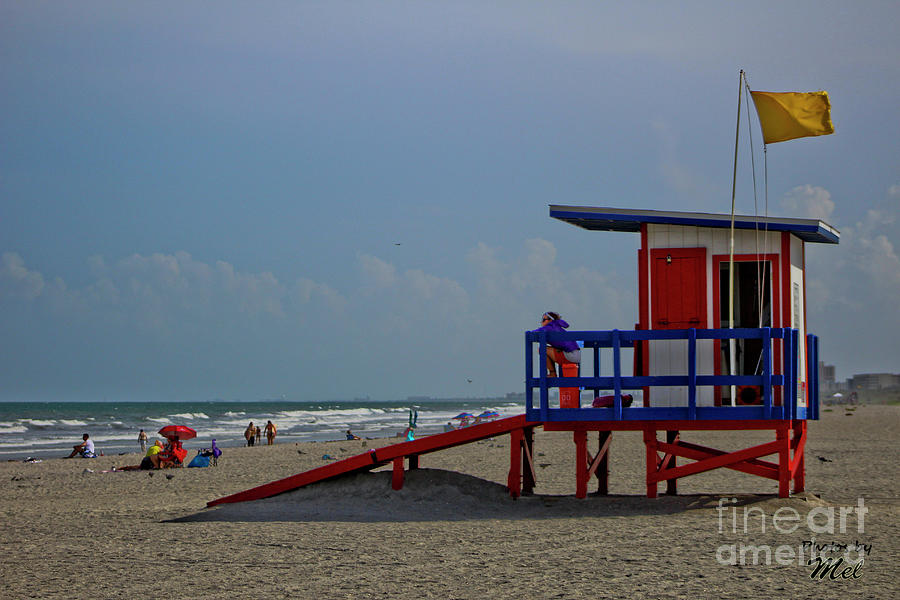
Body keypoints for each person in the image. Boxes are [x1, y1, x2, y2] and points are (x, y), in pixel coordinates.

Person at [532, 311, 581, 377]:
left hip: (570, 356)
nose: (542, 322)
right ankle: (553, 373)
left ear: (550, 320)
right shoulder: (557, 327)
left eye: (544, 320)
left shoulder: (549, 327)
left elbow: (533, 334)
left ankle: (552, 373)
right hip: (575, 355)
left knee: (542, 349)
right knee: (547, 349)